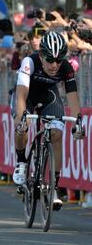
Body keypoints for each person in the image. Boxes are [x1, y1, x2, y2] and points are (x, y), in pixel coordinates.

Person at [12, 31, 84, 211]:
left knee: (57, 134)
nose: (54, 65)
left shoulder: (66, 67)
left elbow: (72, 97)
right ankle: (21, 162)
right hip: (27, 95)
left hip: (48, 96)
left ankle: (54, 186)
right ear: (42, 55)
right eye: (50, 59)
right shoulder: (30, 62)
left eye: (59, 60)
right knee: (23, 125)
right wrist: (21, 118)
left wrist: (78, 122)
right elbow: (21, 95)